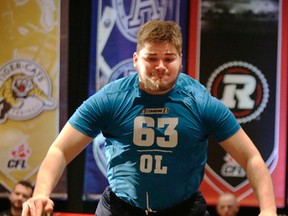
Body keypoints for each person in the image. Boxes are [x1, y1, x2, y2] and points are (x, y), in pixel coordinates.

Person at [22, 20, 277, 216]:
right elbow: (60, 150)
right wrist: (41, 194)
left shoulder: (201, 103)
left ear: (181, 61)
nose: (160, 66)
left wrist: (267, 210)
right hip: (120, 207)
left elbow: (251, 157)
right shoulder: (111, 99)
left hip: (183, 209)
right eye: (151, 58)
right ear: (135, 60)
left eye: (169, 58)